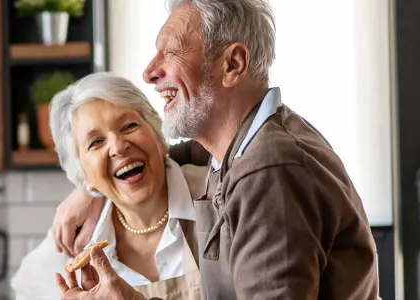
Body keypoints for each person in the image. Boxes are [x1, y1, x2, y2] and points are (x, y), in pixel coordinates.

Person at [51, 0, 380, 299]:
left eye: (172, 52)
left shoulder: (268, 172)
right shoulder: (246, 146)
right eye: (96, 142)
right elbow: (174, 155)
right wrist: (93, 186)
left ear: (232, 64)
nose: (149, 72)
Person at [10, 73, 210, 300]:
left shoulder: (218, 195)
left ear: (158, 133)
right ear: (82, 174)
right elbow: (26, 288)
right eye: (96, 142)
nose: (118, 146)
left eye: (129, 126)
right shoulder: (74, 242)